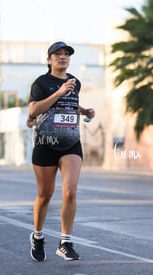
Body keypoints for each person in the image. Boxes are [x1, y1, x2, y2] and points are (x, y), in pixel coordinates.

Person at [27, 42, 95, 261]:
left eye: (66, 55)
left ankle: (65, 242)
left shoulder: (75, 82)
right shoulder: (41, 83)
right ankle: (37, 236)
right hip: (46, 143)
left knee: (70, 192)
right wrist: (59, 91)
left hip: (70, 143)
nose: (63, 58)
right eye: (58, 54)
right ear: (49, 60)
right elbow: (34, 109)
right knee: (45, 195)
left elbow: (68, 105)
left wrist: (84, 110)